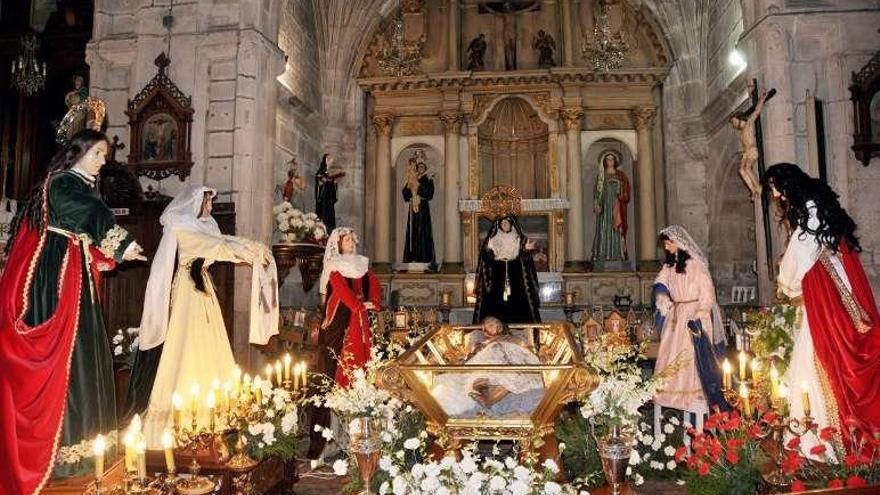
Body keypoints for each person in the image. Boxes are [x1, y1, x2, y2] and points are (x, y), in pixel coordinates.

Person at [0, 129, 146, 494]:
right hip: (57, 282)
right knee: (71, 354)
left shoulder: (76, 184)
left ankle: (89, 448)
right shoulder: (64, 182)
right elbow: (87, 215)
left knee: (85, 352)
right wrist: (121, 243)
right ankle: (67, 454)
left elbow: (81, 230)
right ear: (77, 152)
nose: (102, 161)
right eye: (97, 154)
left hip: (73, 273)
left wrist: (106, 251)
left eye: (104, 155)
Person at [128, 185, 277, 447]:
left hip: (203, 288)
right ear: (195, 204)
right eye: (207, 203)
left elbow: (224, 241)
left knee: (210, 342)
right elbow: (216, 246)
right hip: (188, 290)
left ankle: (215, 413)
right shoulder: (183, 228)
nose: (210, 207)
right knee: (187, 344)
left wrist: (253, 247)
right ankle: (184, 418)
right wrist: (246, 251)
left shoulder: (205, 227)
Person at [764, 163, 880, 455]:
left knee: (816, 366)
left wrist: (785, 284)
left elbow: (792, 271)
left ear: (787, 186)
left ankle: (821, 446)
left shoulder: (809, 224)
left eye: (775, 188)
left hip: (827, 310)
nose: (775, 195)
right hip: (840, 303)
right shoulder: (823, 216)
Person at [307, 227, 381, 459]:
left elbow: (374, 285)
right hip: (339, 321)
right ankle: (327, 439)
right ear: (337, 245)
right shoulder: (334, 264)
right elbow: (339, 289)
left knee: (360, 369)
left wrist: (374, 302)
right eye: (346, 240)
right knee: (332, 369)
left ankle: (357, 436)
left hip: (358, 320)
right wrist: (359, 305)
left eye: (351, 239)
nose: (351, 242)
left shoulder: (361, 263)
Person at [652, 225, 730, 413]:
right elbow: (659, 283)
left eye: (669, 243)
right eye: (665, 243)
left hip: (693, 317)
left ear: (678, 243)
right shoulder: (669, 266)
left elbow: (707, 294)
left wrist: (700, 315)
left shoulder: (696, 266)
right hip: (676, 317)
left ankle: (695, 400)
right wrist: (661, 296)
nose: (666, 247)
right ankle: (674, 399)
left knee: (692, 358)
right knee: (671, 358)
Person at [432, 317, 544, 418]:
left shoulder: (514, 339)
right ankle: (484, 390)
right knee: (479, 377)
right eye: (488, 325)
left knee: (515, 376)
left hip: (512, 363)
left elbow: (525, 353)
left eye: (494, 322)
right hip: (489, 365)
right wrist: (478, 350)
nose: (492, 325)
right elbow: (473, 359)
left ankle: (489, 399)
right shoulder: (482, 344)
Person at [473, 215, 541, 324]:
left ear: (511, 224)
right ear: (499, 225)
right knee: (495, 304)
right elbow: (485, 258)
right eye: (502, 223)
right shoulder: (492, 240)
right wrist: (489, 253)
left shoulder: (519, 239)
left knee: (518, 303)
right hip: (497, 275)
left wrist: (526, 250)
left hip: (516, 275)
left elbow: (525, 259)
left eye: (507, 222)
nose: (505, 224)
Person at [729, 88, 775, 200]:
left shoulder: (748, 123)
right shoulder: (742, 131)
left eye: (734, 122)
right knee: (741, 170)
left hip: (751, 150)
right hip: (746, 153)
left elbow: (757, 111)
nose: (734, 125)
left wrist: (762, 99)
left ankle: (758, 187)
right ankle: (753, 189)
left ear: (739, 118)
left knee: (748, 169)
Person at [592, 151, 631, 262]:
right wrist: (597, 203)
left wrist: (618, 185)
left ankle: (618, 255)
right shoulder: (601, 175)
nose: (610, 161)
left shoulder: (621, 175)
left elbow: (626, 192)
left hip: (616, 205)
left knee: (617, 229)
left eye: (612, 159)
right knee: (604, 229)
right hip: (605, 207)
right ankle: (603, 255)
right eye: (608, 159)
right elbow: (597, 192)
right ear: (604, 162)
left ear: (615, 161)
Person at [402, 157, 436, 269]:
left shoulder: (429, 180)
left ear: (425, 168)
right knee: (413, 233)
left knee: (423, 232)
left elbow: (429, 194)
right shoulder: (412, 179)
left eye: (422, 167)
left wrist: (418, 186)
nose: (420, 168)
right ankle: (413, 257)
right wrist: (409, 186)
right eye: (419, 166)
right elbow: (406, 195)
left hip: (423, 209)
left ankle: (425, 259)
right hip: (413, 210)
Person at [315, 154, 343, 231]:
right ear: (326, 161)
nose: (331, 163)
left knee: (330, 219)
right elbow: (319, 184)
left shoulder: (330, 173)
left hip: (329, 201)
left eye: (332, 162)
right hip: (323, 201)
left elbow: (333, 186)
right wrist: (324, 181)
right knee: (323, 218)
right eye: (330, 161)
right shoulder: (321, 172)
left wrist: (335, 183)